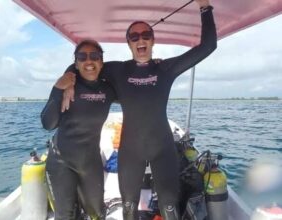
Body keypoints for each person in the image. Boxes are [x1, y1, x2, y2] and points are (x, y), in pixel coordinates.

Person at [62, 0, 217, 219]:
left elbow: (208, 46)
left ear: (153, 41)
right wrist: (68, 79)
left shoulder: (165, 68)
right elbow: (86, 62)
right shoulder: (118, 69)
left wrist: (205, 7)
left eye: (146, 35)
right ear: (129, 43)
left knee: (170, 207)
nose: (140, 39)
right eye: (134, 37)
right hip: (130, 151)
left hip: (162, 149)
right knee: (128, 207)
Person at [41, 39, 116, 220]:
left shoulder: (109, 90)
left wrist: (152, 67)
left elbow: (131, 83)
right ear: (76, 62)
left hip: (90, 162)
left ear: (101, 61)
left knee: (97, 213)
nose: (88, 61)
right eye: (82, 57)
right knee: (66, 215)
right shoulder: (67, 86)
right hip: (61, 161)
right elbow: (48, 123)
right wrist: (58, 88)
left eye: (95, 56)